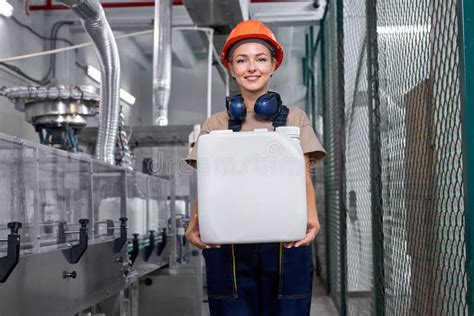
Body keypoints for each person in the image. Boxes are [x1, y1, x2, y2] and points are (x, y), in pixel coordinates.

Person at [185, 20, 326, 316]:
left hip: (285, 243)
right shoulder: (215, 123)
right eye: (242, 60)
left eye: (261, 59)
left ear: (274, 65)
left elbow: (302, 172)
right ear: (231, 67)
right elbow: (209, 181)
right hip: (229, 247)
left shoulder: (294, 118)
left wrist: (311, 217)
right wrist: (195, 220)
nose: (252, 67)